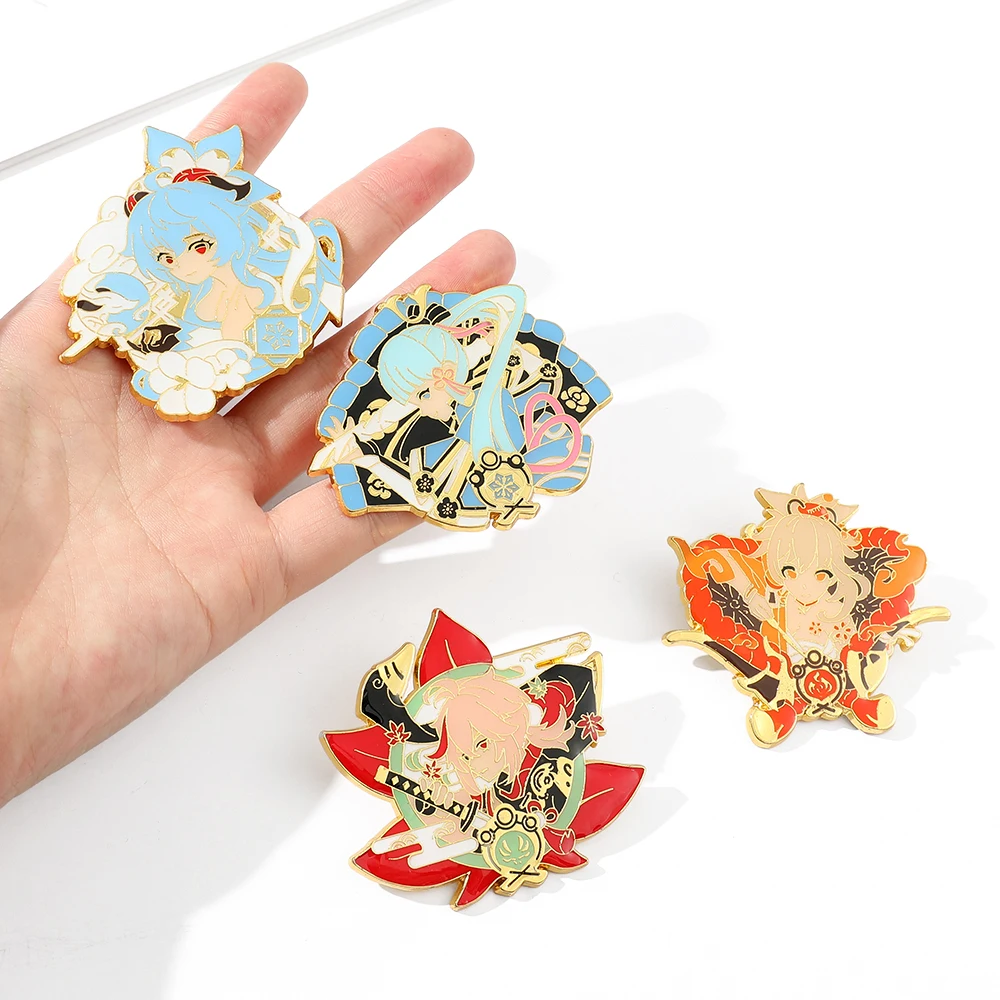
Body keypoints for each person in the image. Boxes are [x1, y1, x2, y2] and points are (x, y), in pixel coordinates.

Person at [0, 63, 516, 808]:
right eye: (165, 259)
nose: (182, 266)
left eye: (195, 246)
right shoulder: (168, 319)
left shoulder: (282, 289)